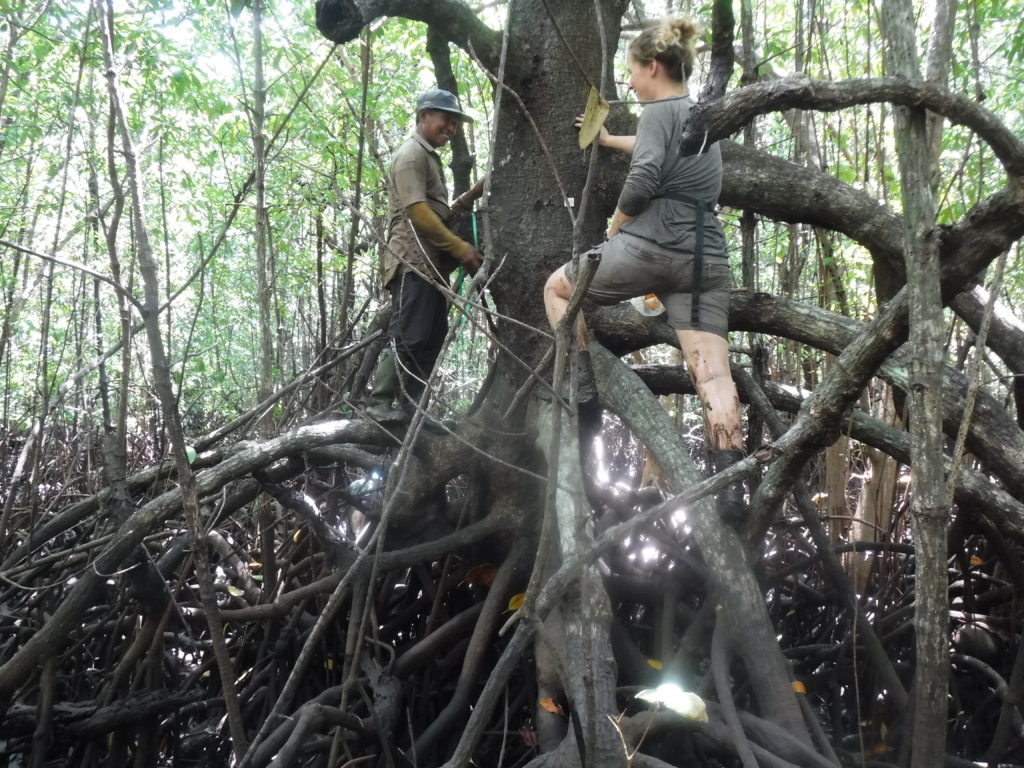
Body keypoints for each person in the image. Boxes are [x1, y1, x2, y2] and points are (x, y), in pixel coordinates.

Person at [542, 17, 746, 522]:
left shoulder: (657, 109)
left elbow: (647, 176)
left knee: (557, 290)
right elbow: (663, 148)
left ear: (652, 66)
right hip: (705, 258)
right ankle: (731, 483)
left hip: (650, 245)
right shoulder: (700, 115)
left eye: (632, 71)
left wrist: (614, 228)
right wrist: (611, 141)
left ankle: (585, 392)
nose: (629, 82)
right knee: (712, 373)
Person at [367, 88, 483, 419]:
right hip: (412, 263)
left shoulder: (428, 157)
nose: (451, 127)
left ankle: (410, 410)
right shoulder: (410, 155)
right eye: (447, 119)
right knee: (410, 334)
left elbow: (437, 211)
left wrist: (471, 195)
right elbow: (418, 214)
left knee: (432, 337)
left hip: (431, 267)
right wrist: (461, 249)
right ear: (424, 115)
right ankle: (379, 404)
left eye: (456, 122)